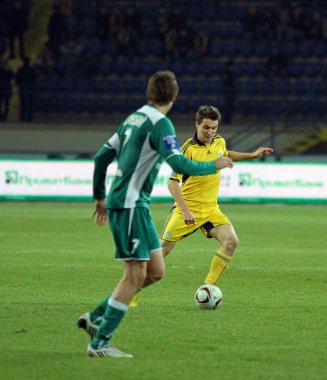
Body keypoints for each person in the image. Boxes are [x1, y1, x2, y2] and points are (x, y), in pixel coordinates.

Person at [77, 71, 233, 359]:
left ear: (149, 93)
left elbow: (101, 156)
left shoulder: (132, 118)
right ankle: (99, 343)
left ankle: (96, 316)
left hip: (137, 205)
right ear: (173, 97)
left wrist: (100, 195)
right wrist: (216, 164)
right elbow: (178, 162)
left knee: (156, 271)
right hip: (129, 204)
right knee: (135, 275)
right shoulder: (161, 124)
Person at [161, 105, 273, 288]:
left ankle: (208, 288)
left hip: (211, 209)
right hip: (187, 209)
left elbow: (226, 154)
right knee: (163, 250)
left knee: (231, 241)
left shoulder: (218, 141)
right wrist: (186, 210)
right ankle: (132, 289)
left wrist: (252, 155)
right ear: (197, 124)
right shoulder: (185, 150)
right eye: (206, 127)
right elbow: (172, 183)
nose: (210, 132)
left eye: (214, 128)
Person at [15, 57, 37, 122]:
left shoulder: (29, 70)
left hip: (28, 89)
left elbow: (34, 79)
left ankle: (26, 117)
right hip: (24, 89)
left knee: (26, 104)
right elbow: (17, 79)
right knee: (24, 104)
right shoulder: (27, 70)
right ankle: (25, 117)